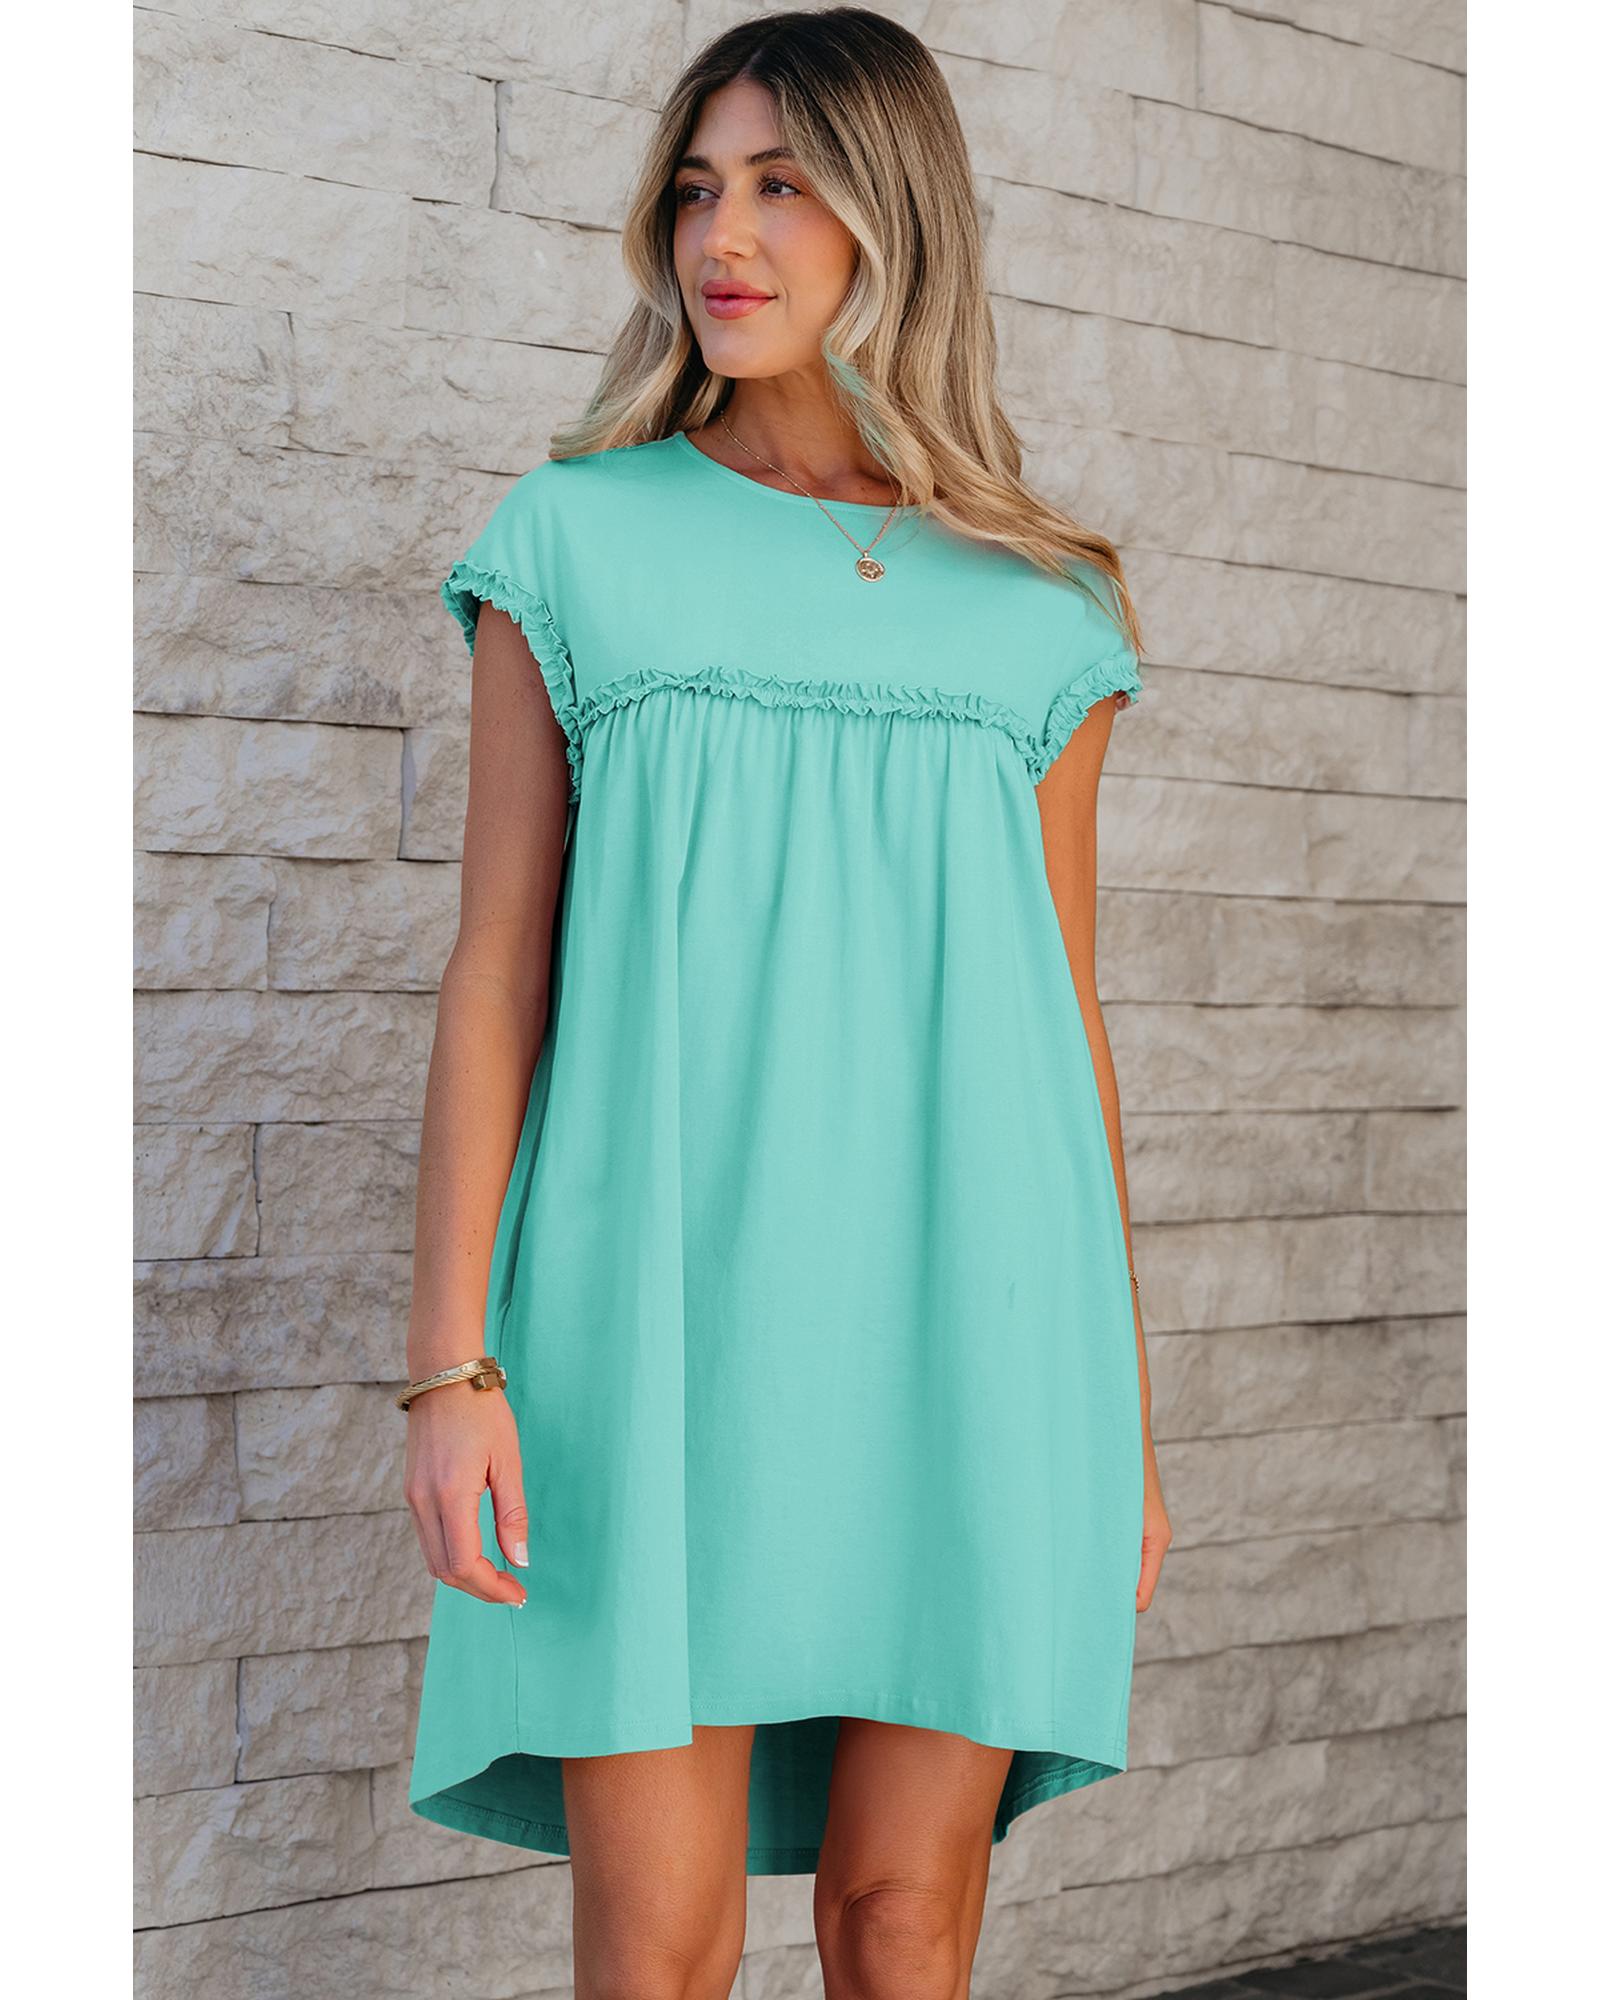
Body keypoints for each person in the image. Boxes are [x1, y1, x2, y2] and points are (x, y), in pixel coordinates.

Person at [401, 8, 1173, 1995]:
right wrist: (450, 1368)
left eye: (780, 185)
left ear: (893, 216)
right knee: (658, 1946)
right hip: (648, 1321)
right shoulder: (577, 536)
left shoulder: (1044, 605)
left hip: (977, 1328)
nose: (720, 239)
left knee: (902, 1922)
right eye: (693, 189)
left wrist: (1122, 1418)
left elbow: (1063, 1023)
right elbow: (495, 970)